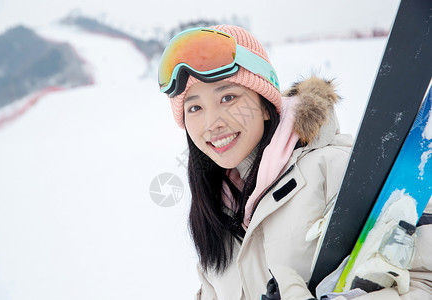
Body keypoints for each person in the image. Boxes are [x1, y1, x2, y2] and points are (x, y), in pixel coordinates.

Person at [157, 25, 432, 300]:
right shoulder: (216, 211)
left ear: (265, 105)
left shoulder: (337, 170)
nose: (212, 123)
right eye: (195, 108)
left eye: (228, 97)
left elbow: (424, 282)